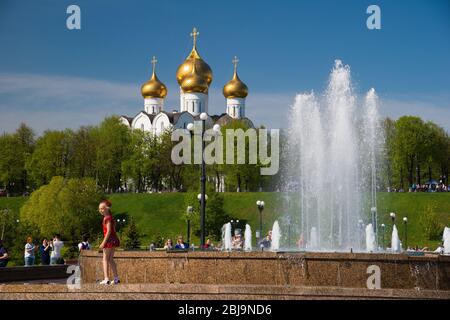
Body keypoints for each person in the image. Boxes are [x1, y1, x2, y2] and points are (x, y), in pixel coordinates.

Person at [98, 200, 120, 285]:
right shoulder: (110, 217)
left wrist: (103, 242)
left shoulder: (107, 218)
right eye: (99, 209)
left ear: (107, 208)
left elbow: (109, 231)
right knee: (110, 259)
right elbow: (114, 230)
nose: (101, 210)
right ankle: (116, 278)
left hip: (109, 241)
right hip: (113, 240)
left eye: (102, 208)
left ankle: (106, 278)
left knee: (105, 259)